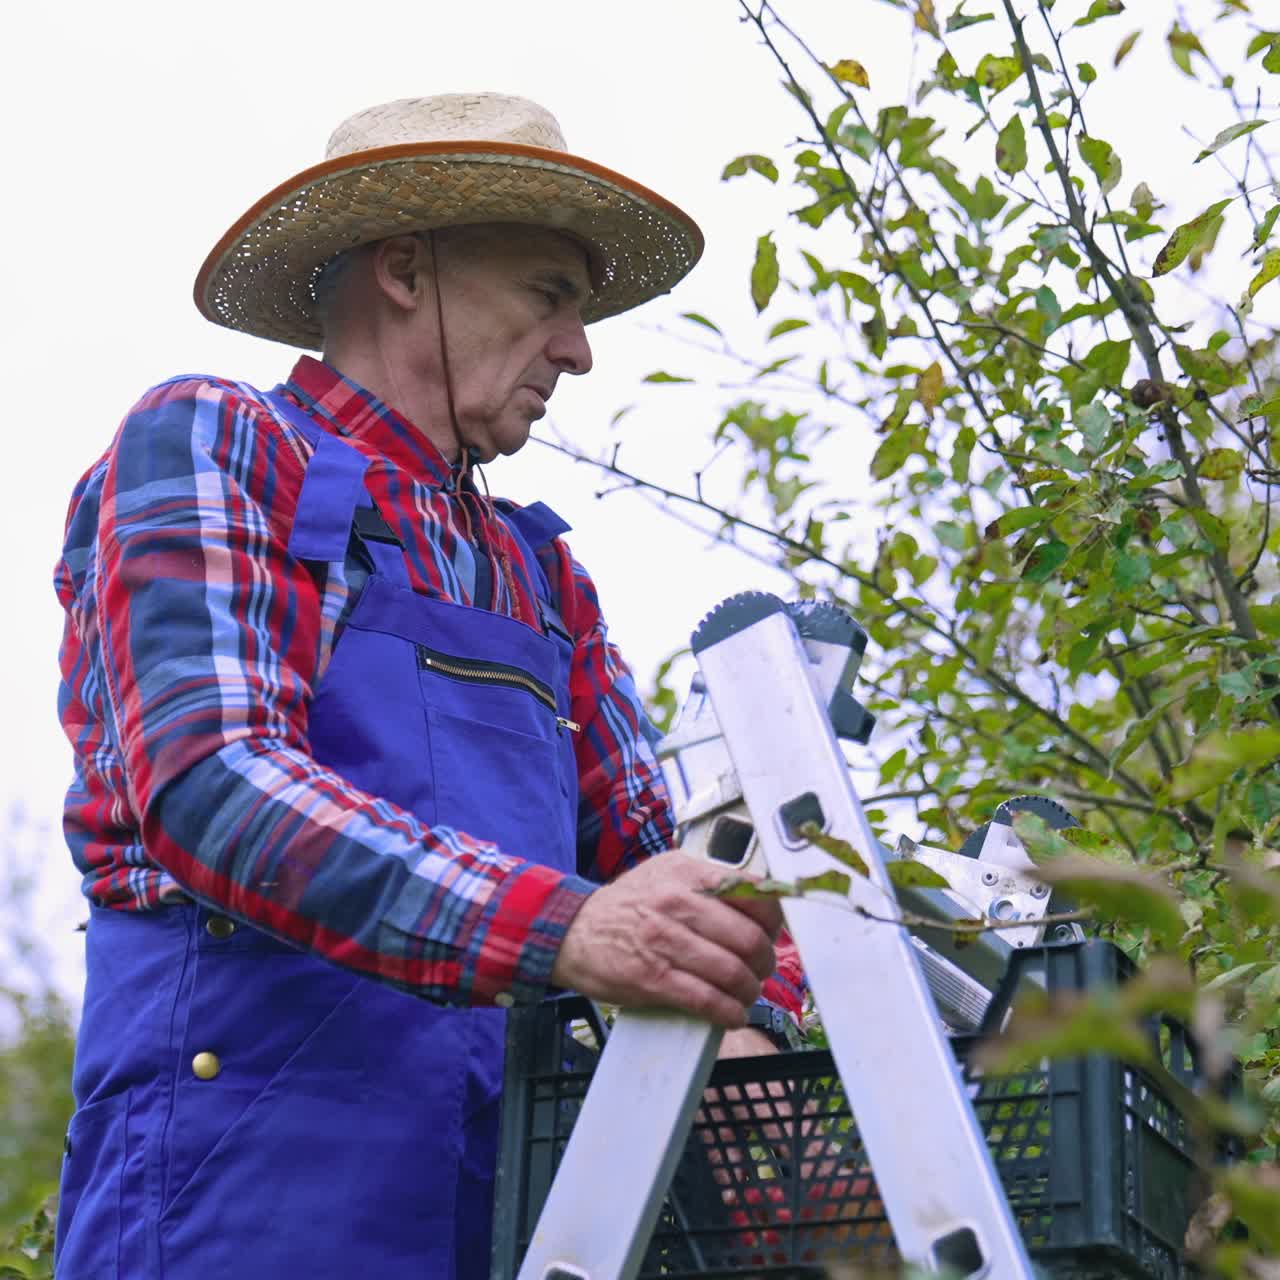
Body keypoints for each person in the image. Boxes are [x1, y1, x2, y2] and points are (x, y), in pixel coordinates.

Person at [52, 92, 804, 1279]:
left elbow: (653, 858)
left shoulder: (538, 573)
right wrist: (571, 926)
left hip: (510, 1218)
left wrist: (786, 993)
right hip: (236, 1211)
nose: (579, 347)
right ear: (405, 269)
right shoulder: (221, 442)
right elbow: (212, 783)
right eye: (549, 294)